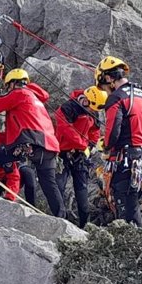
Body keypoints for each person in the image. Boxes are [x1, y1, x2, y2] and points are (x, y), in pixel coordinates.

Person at [0, 68, 65, 217]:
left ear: (12, 84)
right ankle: (61, 217)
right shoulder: (35, 100)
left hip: (29, 142)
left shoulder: (19, 94)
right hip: (48, 146)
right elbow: (11, 135)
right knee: (49, 185)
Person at [96, 56, 142, 225]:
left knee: (126, 212)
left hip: (126, 162)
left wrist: (106, 146)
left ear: (108, 79)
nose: (106, 92)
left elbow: (112, 134)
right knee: (133, 207)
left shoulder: (117, 97)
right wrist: (139, 138)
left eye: (105, 88)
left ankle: (137, 247)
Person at [54, 86, 106, 227]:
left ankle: (84, 225)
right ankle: (57, 221)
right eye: (91, 108)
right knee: (58, 187)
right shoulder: (68, 108)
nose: (92, 112)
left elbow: (95, 131)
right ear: (85, 100)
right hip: (62, 153)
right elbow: (65, 129)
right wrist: (83, 144)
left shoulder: (94, 110)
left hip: (80, 156)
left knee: (82, 192)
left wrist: (89, 146)